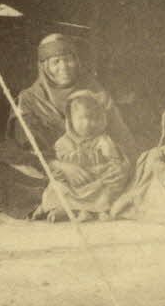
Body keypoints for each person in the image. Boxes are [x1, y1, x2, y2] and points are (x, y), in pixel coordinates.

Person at [0, 33, 135, 218]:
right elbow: (26, 144)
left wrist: (123, 166)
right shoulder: (29, 99)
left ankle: (66, 205)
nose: (64, 67)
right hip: (51, 169)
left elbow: (122, 136)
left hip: (96, 168)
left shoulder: (96, 93)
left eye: (68, 60)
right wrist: (61, 166)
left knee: (136, 169)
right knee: (0, 156)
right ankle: (77, 204)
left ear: (77, 61)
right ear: (44, 67)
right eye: (56, 62)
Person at [32, 90, 129, 222]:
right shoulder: (63, 142)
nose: (88, 123)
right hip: (73, 185)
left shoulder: (103, 140)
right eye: (82, 118)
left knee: (108, 189)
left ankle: (92, 211)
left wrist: (111, 169)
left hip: (96, 182)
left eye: (93, 118)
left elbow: (114, 161)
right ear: (71, 120)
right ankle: (65, 210)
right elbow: (59, 168)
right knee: (57, 188)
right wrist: (62, 173)